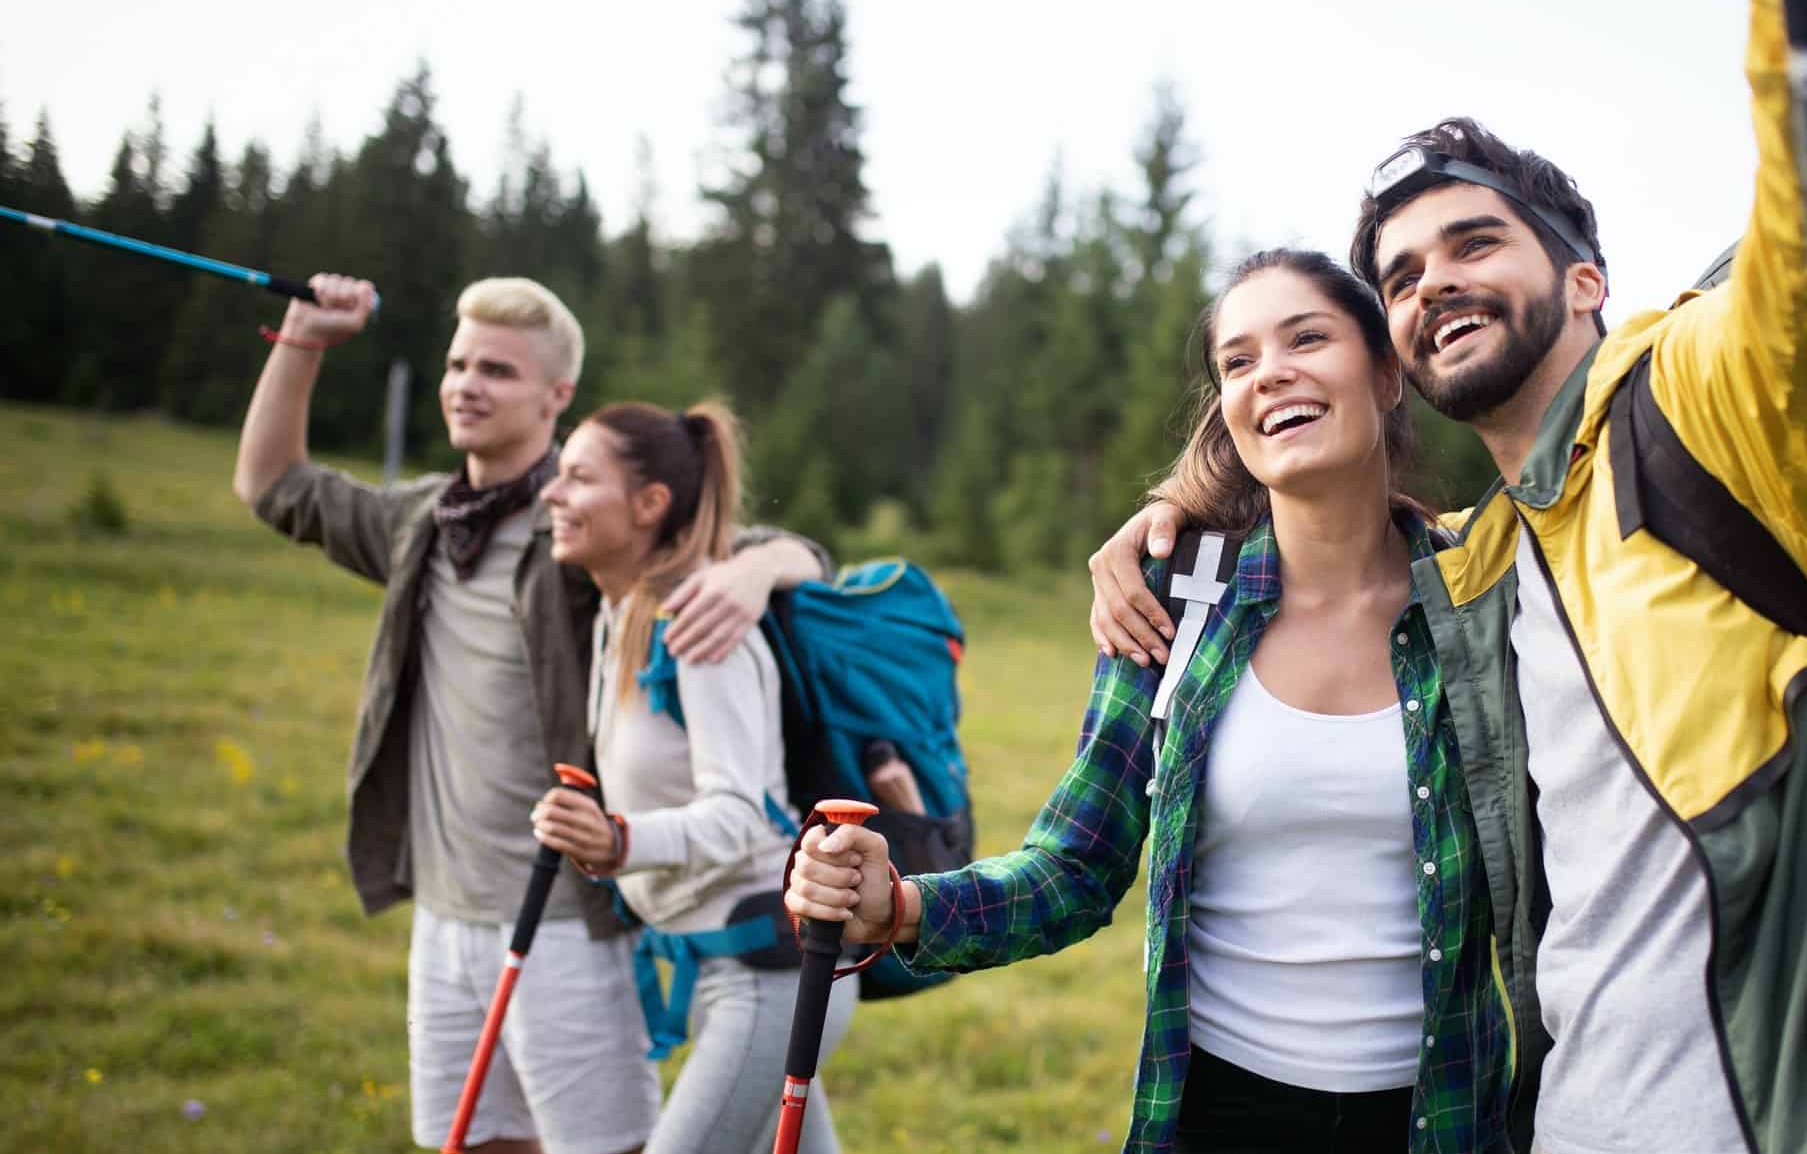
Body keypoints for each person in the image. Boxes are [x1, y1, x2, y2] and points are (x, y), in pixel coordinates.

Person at [1086, 0, 1807, 1154]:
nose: (1430, 284)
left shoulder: (1705, 400)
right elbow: (1335, 507)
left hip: (1789, 1117)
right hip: (1566, 1121)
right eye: (1398, 276)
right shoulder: (1485, 558)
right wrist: (1181, 505)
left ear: (1582, 279)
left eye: (1471, 244)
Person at [789, 248, 1515, 1153]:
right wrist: (899, 905)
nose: (1271, 372)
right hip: (1215, 1111)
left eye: (1307, 337)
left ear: (1385, 371)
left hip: (1439, 1118)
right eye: (1238, 361)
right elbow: (1077, 864)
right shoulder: (1175, 600)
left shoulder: (1486, 596)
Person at [232, 275, 829, 1154]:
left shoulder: (593, 524)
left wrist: (755, 568)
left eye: (498, 370)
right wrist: (302, 337)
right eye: (457, 363)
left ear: (556, 396)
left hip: (564, 917)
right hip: (443, 911)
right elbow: (274, 485)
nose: (467, 384)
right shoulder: (421, 522)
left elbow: (774, 549)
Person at [526, 399, 857, 1154]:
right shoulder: (620, 612)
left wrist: (617, 838)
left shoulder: (698, 624)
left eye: (578, 478)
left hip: (765, 973)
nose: (553, 492)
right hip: (728, 972)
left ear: (649, 504)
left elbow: (747, 813)